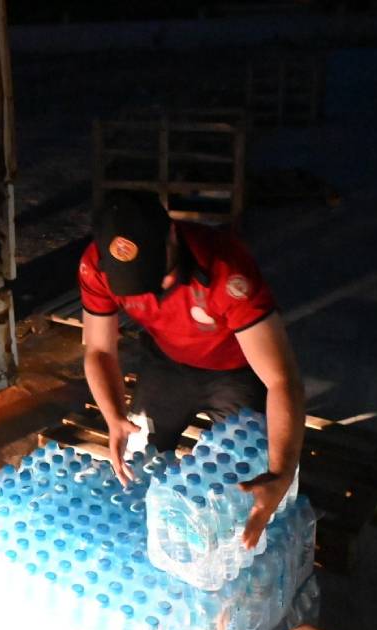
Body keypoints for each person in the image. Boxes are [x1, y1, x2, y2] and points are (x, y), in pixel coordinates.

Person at [79, 191, 305, 547]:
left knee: (239, 486)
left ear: (172, 235)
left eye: (158, 274)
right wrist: (113, 414)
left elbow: (281, 378)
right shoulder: (97, 266)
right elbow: (98, 349)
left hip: (234, 369)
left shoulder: (226, 270)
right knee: (140, 461)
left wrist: (281, 471)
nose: (157, 291)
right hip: (166, 362)